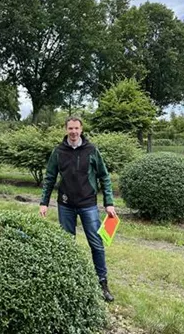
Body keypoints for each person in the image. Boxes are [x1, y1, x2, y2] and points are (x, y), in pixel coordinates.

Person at [39, 116, 116, 302]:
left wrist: (109, 202)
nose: (73, 132)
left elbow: (104, 177)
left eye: (76, 128)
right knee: (66, 245)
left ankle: (102, 283)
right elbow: (50, 178)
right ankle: (68, 282)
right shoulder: (58, 152)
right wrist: (44, 202)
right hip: (65, 205)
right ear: (66, 130)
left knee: (96, 244)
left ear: (81, 130)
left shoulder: (92, 150)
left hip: (88, 204)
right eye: (70, 128)